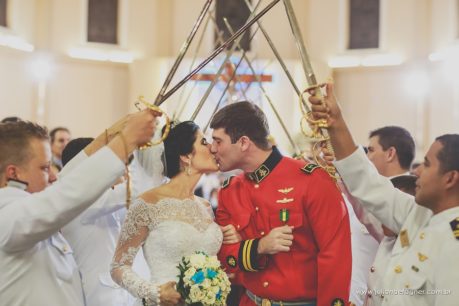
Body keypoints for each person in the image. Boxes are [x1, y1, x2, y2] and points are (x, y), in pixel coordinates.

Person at [308, 82, 459, 305]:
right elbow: (366, 182)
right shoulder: (416, 213)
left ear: (450, 178)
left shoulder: (453, 241)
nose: (417, 171)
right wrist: (335, 123)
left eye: (426, 165)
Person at [0, 111, 157, 306]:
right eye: (44, 168)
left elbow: (67, 177)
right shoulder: (6, 215)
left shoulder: (21, 210)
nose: (53, 177)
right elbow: (65, 193)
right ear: (13, 173)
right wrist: (126, 141)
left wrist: (114, 132)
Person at [210, 101, 352, 306]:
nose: (212, 149)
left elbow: (335, 257)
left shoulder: (312, 181)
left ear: (243, 142)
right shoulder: (230, 190)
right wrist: (259, 247)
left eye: (218, 141)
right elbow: (224, 255)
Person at [111, 121, 237, 306]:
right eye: (203, 142)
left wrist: (228, 237)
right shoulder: (148, 203)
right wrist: (155, 293)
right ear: (186, 156)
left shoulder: (206, 207)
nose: (212, 148)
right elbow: (118, 266)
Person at [60, 137, 163, 306]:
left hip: (130, 291)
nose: (116, 166)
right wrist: (149, 144)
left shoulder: (106, 198)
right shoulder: (78, 201)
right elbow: (139, 189)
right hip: (101, 296)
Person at [365, 175, 416, 306]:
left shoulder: (418, 245)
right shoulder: (387, 238)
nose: (382, 218)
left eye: (389, 212)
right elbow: (362, 209)